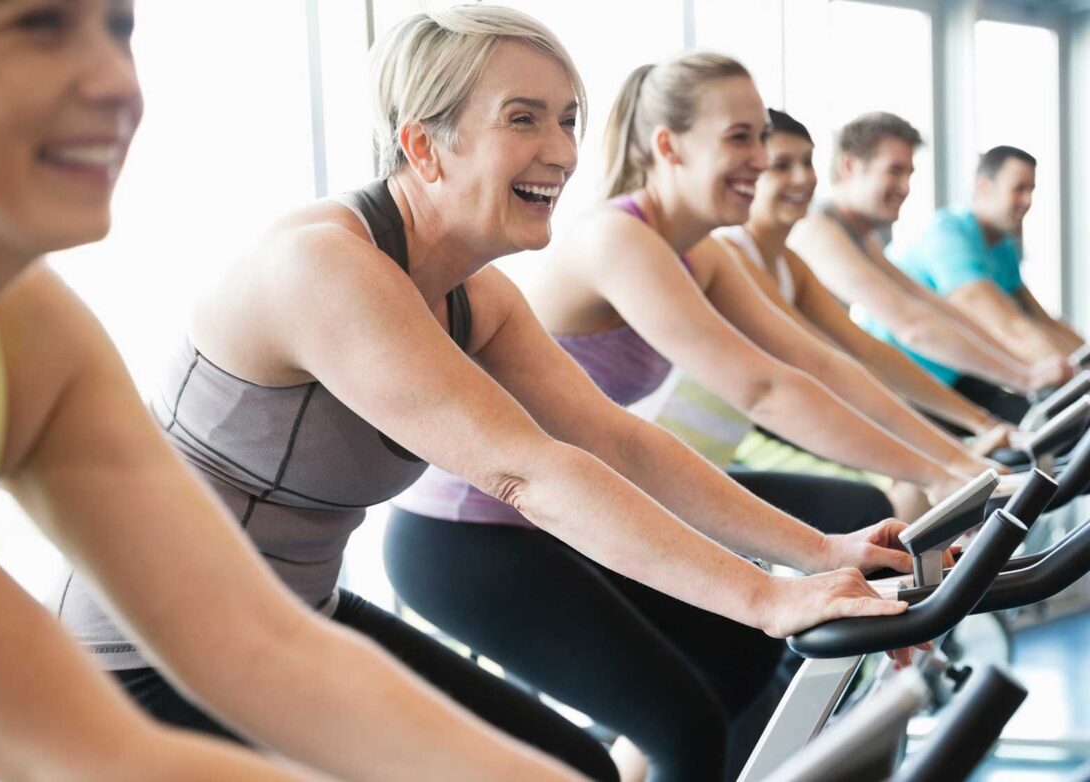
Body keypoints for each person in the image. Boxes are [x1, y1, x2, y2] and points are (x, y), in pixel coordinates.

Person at [0, 2, 593, 780]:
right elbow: (97, 752)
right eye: (39, 26)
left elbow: (261, 644)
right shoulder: (319, 263)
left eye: (121, 32)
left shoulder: (31, 327)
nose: (118, 82)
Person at [383, 53, 940, 782]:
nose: (763, 161)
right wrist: (924, 478)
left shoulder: (699, 253)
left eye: (760, 139)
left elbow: (816, 363)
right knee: (680, 723)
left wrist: (951, 466)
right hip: (474, 535)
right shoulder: (617, 239)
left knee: (737, 664)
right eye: (741, 138)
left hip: (569, 509)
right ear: (670, 146)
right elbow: (761, 390)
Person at [654, 109, 1015, 519]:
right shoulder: (732, 252)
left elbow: (864, 352)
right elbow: (818, 369)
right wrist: (947, 456)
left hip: (730, 444)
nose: (803, 178)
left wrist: (971, 434)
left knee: (907, 489)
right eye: (781, 166)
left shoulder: (790, 264)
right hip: (714, 448)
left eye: (807, 162)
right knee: (884, 500)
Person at [790, 112, 1069, 423]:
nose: (905, 187)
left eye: (909, 173)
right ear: (849, 166)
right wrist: (1024, 376)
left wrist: (1023, 370)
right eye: (894, 171)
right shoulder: (815, 228)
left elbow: (930, 304)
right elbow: (911, 326)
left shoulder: (861, 236)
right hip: (807, 403)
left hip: (867, 386)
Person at [887, 145, 1084, 368]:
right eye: (1019, 189)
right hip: (900, 374)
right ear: (984, 187)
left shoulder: (1003, 246)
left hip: (951, 372)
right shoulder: (948, 236)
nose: (1028, 201)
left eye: (1031, 190)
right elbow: (1008, 328)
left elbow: (1039, 320)